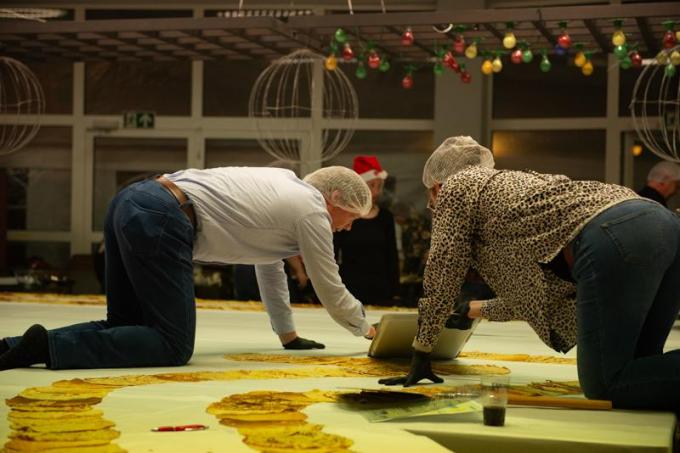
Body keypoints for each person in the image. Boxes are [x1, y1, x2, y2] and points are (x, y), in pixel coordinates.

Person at [380, 136, 680, 411]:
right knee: (640, 373)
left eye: (433, 199)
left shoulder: (457, 187)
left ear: (437, 186)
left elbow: (443, 270)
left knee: (605, 383)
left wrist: (422, 349)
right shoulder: (518, 199)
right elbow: (535, 298)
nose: (435, 207)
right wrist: (475, 309)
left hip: (613, 233)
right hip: (664, 226)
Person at [0, 166, 376, 370]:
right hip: (164, 214)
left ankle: (16, 347)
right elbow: (328, 283)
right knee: (173, 345)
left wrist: (288, 335)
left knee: (125, 326)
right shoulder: (310, 208)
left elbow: (270, 268)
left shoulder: (283, 185)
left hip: (134, 199)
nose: (349, 226)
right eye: (351, 217)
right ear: (335, 197)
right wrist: (367, 328)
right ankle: (47, 346)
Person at [334, 156, 400, 306]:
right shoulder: (345, 215)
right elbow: (333, 254)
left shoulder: (385, 217)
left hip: (381, 289)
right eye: (371, 186)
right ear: (360, 186)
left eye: (379, 186)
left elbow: (392, 255)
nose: (376, 192)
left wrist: (396, 291)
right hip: (350, 288)